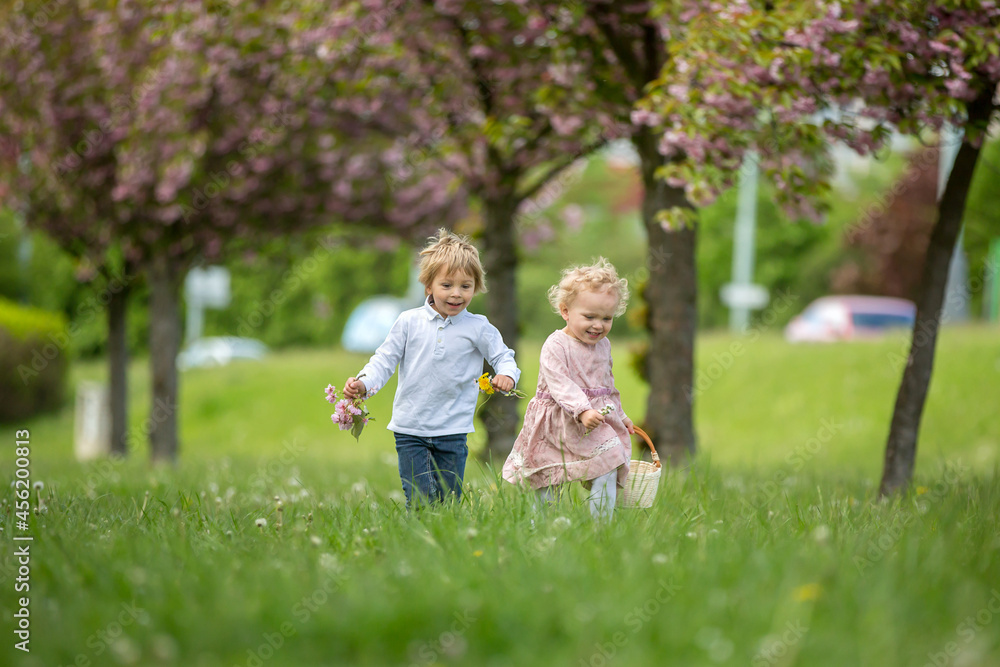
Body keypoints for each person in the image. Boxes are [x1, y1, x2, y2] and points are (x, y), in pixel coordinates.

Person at [343, 229, 520, 507]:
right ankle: (419, 540)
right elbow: (384, 359)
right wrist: (363, 383)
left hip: (453, 429)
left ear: (476, 287)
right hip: (410, 428)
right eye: (446, 285)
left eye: (466, 286)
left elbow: (503, 355)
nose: (456, 294)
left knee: (449, 501)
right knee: (421, 499)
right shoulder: (408, 322)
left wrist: (507, 374)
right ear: (429, 286)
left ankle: (445, 544)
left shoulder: (478, 327)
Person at [501, 258, 634, 520]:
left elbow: (607, 386)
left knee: (610, 459)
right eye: (589, 317)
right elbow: (559, 384)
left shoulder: (603, 346)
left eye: (606, 318)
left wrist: (621, 414)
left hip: (591, 422)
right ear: (565, 311)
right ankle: (542, 525)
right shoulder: (556, 345)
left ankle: (601, 525)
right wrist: (582, 409)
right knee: (550, 477)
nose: (598, 325)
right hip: (557, 421)